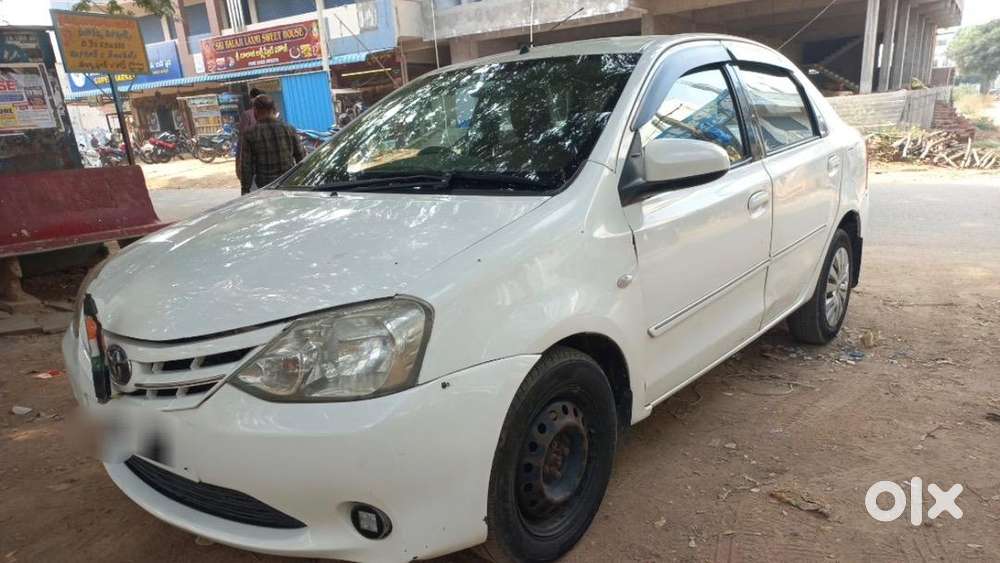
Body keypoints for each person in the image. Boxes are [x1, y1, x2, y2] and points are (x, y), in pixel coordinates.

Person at [238, 95, 304, 194]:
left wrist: (245, 189)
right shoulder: (289, 129)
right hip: (288, 183)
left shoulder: (249, 133)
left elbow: (246, 166)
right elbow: (301, 157)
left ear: (255, 110)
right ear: (274, 109)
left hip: (265, 187)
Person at [236, 87, 262, 194]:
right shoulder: (275, 117)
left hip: (254, 164)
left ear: (251, 99)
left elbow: (242, 139)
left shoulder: (247, 115)